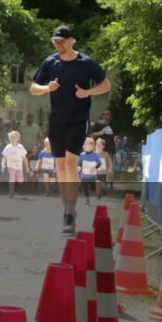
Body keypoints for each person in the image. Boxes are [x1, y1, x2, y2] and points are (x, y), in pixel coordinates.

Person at [29, 25, 110, 235]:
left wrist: (87, 92)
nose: (58, 44)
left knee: (71, 162)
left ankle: (69, 213)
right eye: (55, 41)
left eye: (62, 41)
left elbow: (106, 85)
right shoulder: (50, 62)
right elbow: (33, 88)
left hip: (78, 119)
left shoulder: (85, 62)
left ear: (72, 41)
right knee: (61, 165)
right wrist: (47, 88)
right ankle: (67, 207)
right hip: (57, 120)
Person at [1, 130, 27, 198]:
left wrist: (27, 166)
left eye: (15, 138)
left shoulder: (20, 147)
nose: (13, 139)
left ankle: (17, 184)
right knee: (12, 179)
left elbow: (24, 157)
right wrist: (3, 164)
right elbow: (4, 157)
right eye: (11, 138)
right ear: (9, 139)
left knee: (20, 181)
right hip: (11, 166)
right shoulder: (8, 147)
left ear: (18, 139)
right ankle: (11, 193)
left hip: (19, 167)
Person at [79, 137, 102, 204]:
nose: (85, 145)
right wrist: (79, 168)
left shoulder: (95, 155)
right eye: (85, 144)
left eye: (87, 144)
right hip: (84, 175)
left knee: (92, 188)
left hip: (92, 176)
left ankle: (99, 191)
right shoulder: (82, 154)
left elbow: (99, 163)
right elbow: (79, 163)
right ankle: (87, 198)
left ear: (92, 146)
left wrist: (95, 168)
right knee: (84, 187)